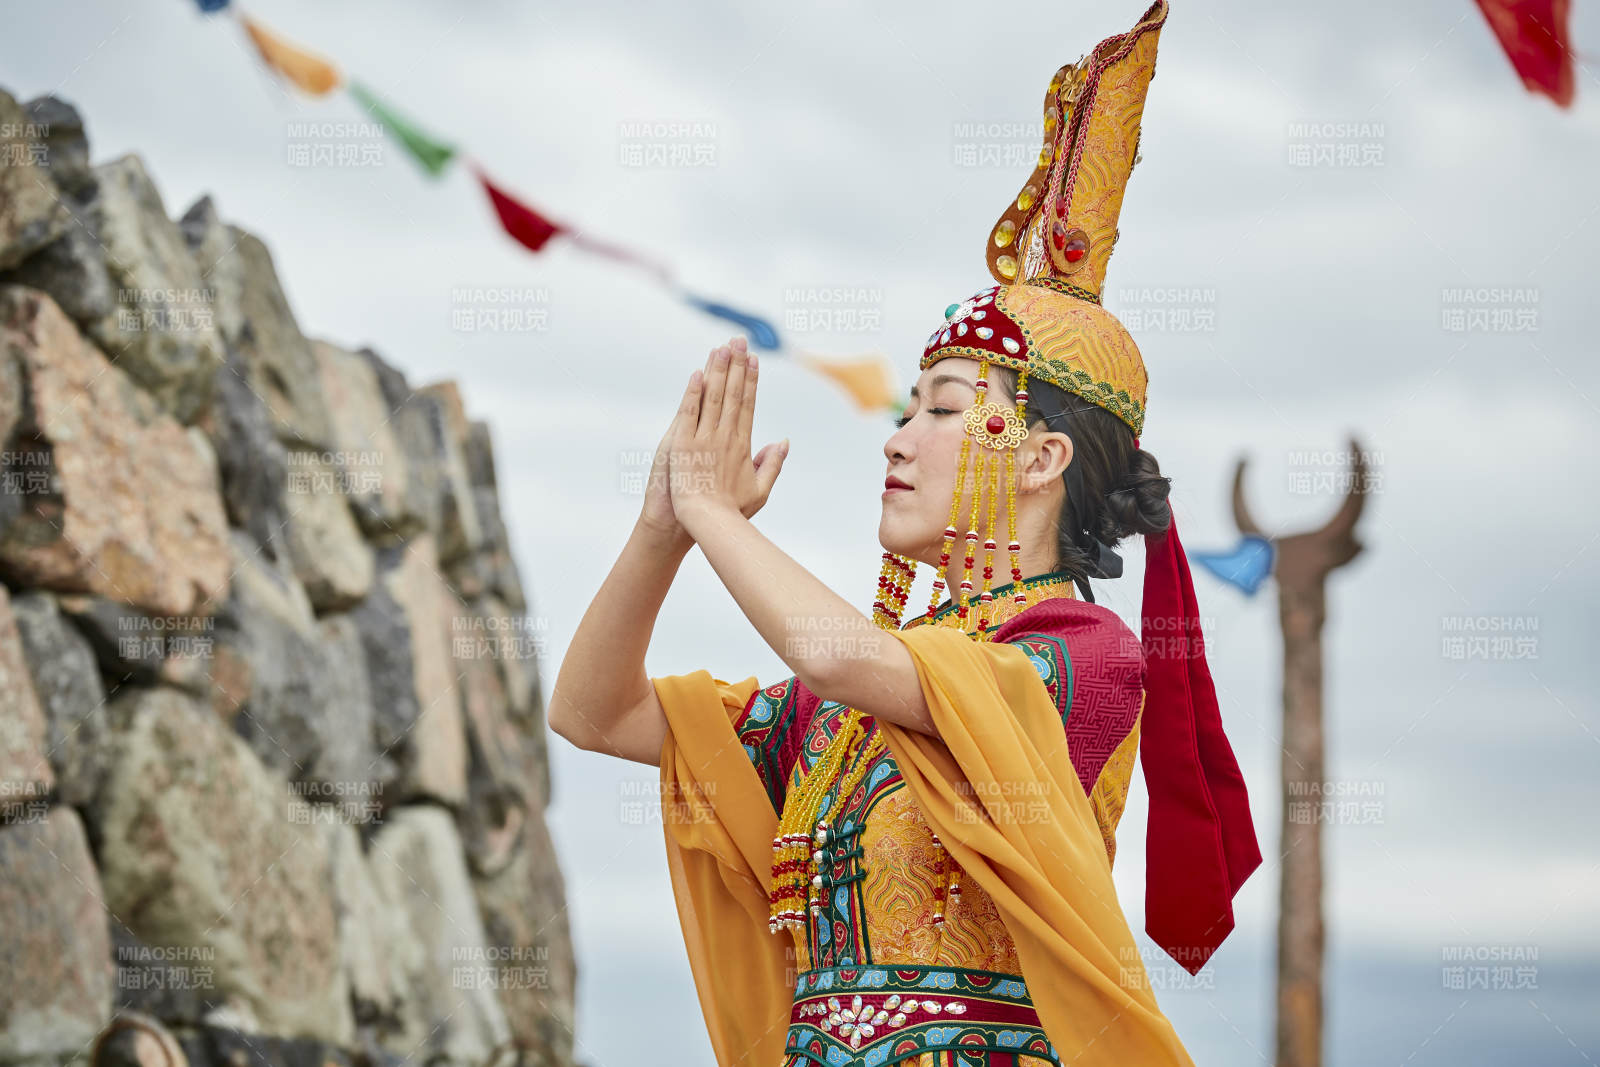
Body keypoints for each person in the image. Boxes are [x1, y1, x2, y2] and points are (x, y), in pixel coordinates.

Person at [550, 3, 1261, 1063]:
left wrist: (713, 512)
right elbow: (591, 711)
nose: (897, 437)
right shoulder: (841, 716)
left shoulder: (1082, 658)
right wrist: (663, 530)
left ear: (1039, 458)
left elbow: (844, 657)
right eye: (906, 408)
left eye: (940, 408)